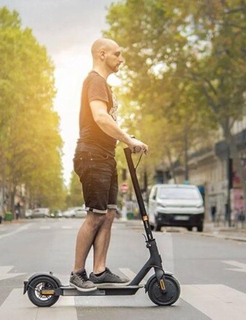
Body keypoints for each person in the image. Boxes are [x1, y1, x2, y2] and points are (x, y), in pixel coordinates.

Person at [70, 38, 148, 292]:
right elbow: (100, 117)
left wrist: (125, 140)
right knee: (95, 215)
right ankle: (78, 273)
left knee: (109, 214)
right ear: (102, 54)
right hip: (92, 156)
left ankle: (100, 271)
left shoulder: (104, 85)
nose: (122, 59)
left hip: (105, 156)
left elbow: (106, 121)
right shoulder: (95, 81)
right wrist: (128, 138)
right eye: (117, 54)